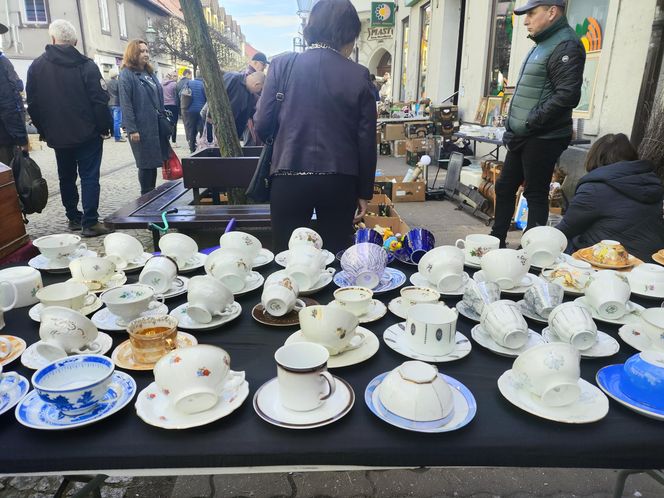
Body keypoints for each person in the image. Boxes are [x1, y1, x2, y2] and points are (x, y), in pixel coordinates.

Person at [254, 0, 377, 254]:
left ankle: (288, 294)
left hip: (288, 175)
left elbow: (263, 123)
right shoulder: (358, 75)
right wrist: (364, 190)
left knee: (287, 256)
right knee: (335, 256)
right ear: (348, 34)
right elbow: (366, 140)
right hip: (340, 180)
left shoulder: (282, 66)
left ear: (312, 28)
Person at [489, 0, 585, 248]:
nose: (526, 20)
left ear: (552, 12)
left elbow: (567, 95)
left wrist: (530, 121)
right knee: (505, 186)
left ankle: (532, 251)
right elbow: (528, 92)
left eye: (532, 13)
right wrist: (512, 126)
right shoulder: (542, 43)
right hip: (525, 134)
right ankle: (496, 241)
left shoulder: (566, 44)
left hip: (544, 136)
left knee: (535, 193)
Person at [26, 19, 112, 237]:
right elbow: (99, 100)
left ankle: (73, 216)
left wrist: (44, 130)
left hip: (58, 134)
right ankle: (90, 222)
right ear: (75, 41)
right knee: (89, 177)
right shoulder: (86, 65)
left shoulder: (37, 67)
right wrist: (104, 127)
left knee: (66, 176)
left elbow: (33, 104)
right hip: (88, 133)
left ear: (53, 39)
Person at [556, 134, 664, 261]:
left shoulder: (594, 188)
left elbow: (564, 230)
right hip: (651, 261)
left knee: (562, 242)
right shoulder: (652, 182)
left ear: (596, 157)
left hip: (612, 262)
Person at [118, 39, 170, 195]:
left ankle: (151, 195)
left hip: (155, 125)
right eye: (141, 51)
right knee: (145, 164)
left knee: (153, 162)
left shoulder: (149, 73)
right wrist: (132, 129)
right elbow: (126, 104)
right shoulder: (127, 75)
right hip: (141, 127)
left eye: (147, 51)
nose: (146, 54)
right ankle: (146, 196)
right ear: (133, 53)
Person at [0, 22, 29, 166]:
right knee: (11, 178)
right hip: (4, 138)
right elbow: (9, 105)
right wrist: (22, 139)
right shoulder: (2, 63)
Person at [183, 74, 206, 152]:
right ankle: (203, 147)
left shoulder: (188, 83)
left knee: (191, 130)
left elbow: (182, 94)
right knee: (202, 129)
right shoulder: (204, 84)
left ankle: (192, 148)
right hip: (202, 110)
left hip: (190, 110)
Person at [106, 67, 125, 143]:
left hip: (109, 103)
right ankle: (118, 137)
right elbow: (121, 93)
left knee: (113, 121)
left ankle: (115, 134)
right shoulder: (118, 83)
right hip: (117, 103)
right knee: (117, 121)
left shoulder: (107, 83)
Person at [162, 71, 178, 145]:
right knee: (174, 123)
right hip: (173, 105)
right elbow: (176, 96)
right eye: (174, 76)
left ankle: (166, 140)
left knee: (166, 122)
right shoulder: (174, 84)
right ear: (171, 77)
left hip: (164, 105)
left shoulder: (161, 84)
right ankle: (174, 141)